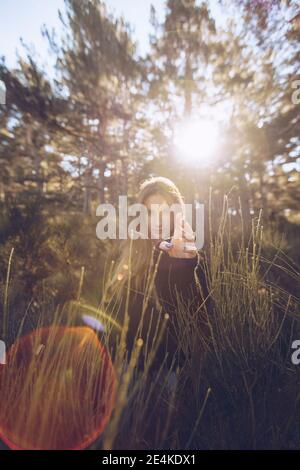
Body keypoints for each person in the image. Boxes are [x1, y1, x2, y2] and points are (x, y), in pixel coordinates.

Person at [104, 177, 209, 373]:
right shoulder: (129, 257)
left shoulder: (191, 260)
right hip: (125, 375)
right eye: (150, 213)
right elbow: (109, 319)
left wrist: (186, 269)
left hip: (172, 376)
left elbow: (198, 329)